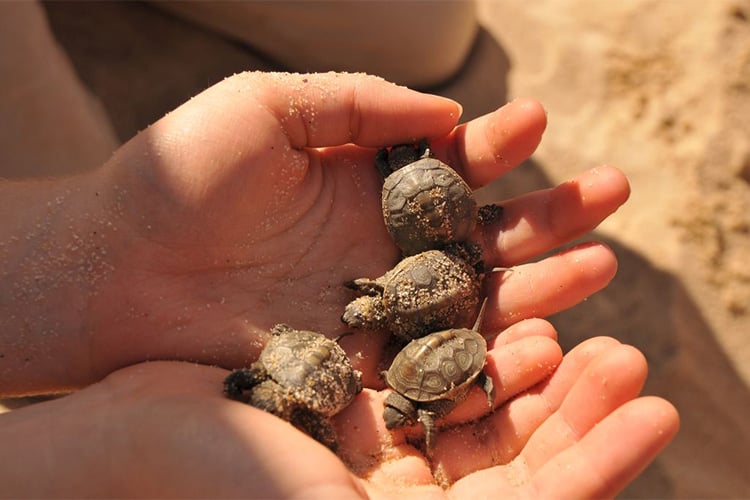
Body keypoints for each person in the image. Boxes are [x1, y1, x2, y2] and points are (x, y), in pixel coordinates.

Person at [0, 69, 679, 497]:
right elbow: (402, 309)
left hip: (418, 281)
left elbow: (404, 300)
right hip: (415, 288)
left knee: (428, 40)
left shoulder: (390, 313)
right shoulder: (386, 333)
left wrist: (76, 249)